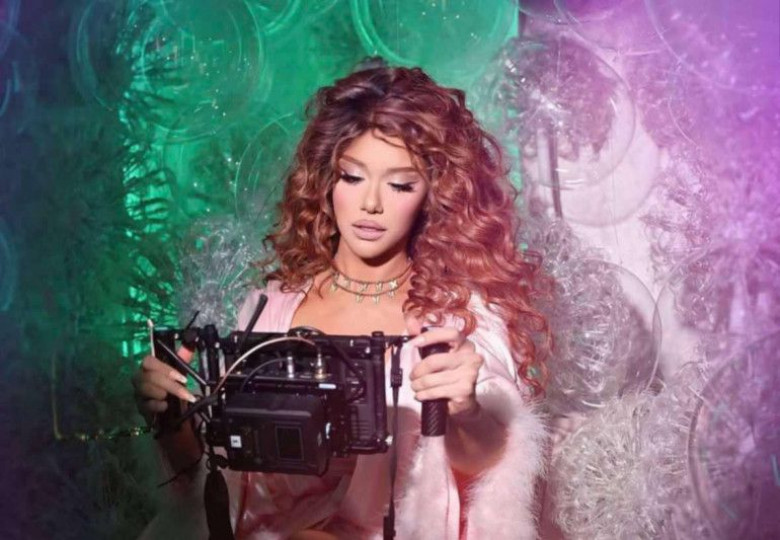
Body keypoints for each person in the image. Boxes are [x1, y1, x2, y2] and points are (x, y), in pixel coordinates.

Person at [133, 65, 550, 539]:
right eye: (352, 177)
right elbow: (217, 481)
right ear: (325, 181)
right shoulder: (270, 309)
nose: (371, 203)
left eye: (400, 185)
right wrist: (171, 420)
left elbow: (489, 473)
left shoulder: (455, 319)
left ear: (433, 194)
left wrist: (467, 410)